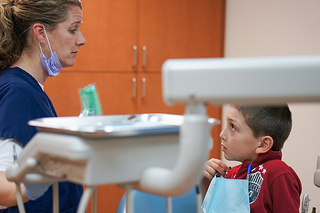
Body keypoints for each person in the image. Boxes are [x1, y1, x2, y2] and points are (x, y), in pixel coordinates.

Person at [0, 0, 86, 212]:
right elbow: (4, 188)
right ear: (40, 33)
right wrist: (41, 178)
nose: (82, 40)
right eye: (73, 29)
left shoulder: (30, 88)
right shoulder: (18, 92)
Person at [202, 105, 302, 213]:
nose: (222, 134)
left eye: (233, 127)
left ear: (263, 144)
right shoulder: (232, 174)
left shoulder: (278, 173)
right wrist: (204, 178)